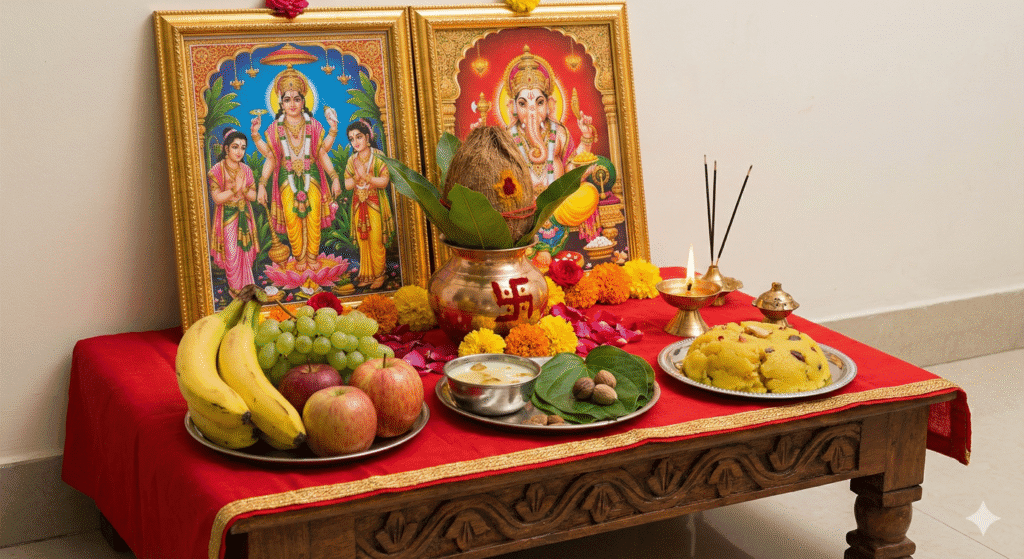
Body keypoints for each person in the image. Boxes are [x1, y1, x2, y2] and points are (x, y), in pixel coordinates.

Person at [250, 68, 341, 272]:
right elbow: (270, 156)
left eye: (296, 99)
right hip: (286, 178)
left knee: (313, 218)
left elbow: (321, 152)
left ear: (303, 102)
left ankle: (312, 256)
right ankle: (300, 258)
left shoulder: (314, 125)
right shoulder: (274, 128)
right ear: (281, 103)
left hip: (313, 176)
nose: (292, 104)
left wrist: (334, 177)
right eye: (287, 99)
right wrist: (256, 136)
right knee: (293, 220)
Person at [502, 45, 596, 196]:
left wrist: (586, 138)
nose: (532, 110)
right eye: (522, 104)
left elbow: (571, 165)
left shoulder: (558, 132)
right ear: (512, 107)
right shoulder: (507, 136)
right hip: (522, 204)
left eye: (539, 103)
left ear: (549, 105)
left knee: (589, 194)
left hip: (558, 200)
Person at [344, 119, 395, 289]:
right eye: (351, 139)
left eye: (358, 137)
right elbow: (347, 184)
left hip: (375, 204)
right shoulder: (352, 160)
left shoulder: (377, 156)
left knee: (375, 239)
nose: (355, 142)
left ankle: (380, 274)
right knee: (362, 240)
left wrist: (369, 178)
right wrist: (355, 179)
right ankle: (366, 274)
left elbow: (385, 181)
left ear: (367, 137)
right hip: (359, 204)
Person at [209, 128, 259, 295]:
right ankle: (236, 290)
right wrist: (233, 190)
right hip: (228, 218)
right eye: (235, 147)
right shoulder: (217, 170)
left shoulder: (246, 170)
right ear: (226, 148)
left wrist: (243, 190)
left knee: (245, 253)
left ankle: (248, 288)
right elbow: (217, 198)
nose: (239, 151)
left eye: (243, 148)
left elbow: (253, 195)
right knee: (231, 253)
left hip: (244, 216)